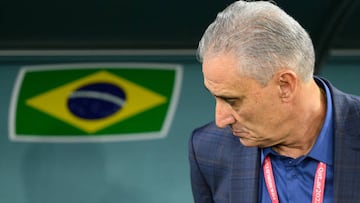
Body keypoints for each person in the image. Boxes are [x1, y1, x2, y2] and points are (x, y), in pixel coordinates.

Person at [188, 0, 360, 202]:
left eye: (232, 100)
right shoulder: (208, 149)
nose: (221, 120)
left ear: (285, 85)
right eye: (215, 97)